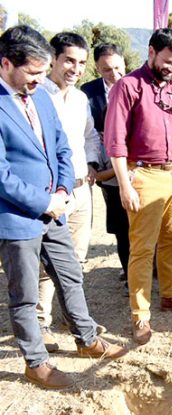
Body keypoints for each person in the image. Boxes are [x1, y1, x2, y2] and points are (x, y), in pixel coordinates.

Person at [0, 25, 126, 390]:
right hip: (16, 218)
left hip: (55, 206)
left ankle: (87, 340)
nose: (40, 80)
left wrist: (59, 192)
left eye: (43, 72)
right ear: (7, 63)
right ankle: (36, 363)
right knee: (24, 293)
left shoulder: (40, 97)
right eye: (33, 73)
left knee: (70, 273)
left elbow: (60, 147)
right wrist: (44, 201)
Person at [104, 28, 172, 345]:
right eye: (167, 61)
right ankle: (140, 315)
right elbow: (116, 143)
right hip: (144, 176)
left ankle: (170, 295)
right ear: (151, 51)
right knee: (143, 248)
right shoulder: (128, 87)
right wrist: (125, 185)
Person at [37, 32, 101, 341]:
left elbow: (90, 136)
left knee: (76, 260)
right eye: (69, 61)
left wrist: (91, 163)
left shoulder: (79, 98)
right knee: (44, 264)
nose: (75, 69)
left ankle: (72, 319)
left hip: (80, 189)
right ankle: (40, 324)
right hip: (51, 194)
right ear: (53, 59)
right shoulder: (36, 96)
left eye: (81, 63)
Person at [81, 43, 128, 294]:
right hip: (107, 166)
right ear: (97, 69)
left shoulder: (136, 85)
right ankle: (127, 266)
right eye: (107, 70)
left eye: (118, 67)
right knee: (120, 222)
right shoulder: (87, 92)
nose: (114, 74)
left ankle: (146, 266)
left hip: (137, 162)